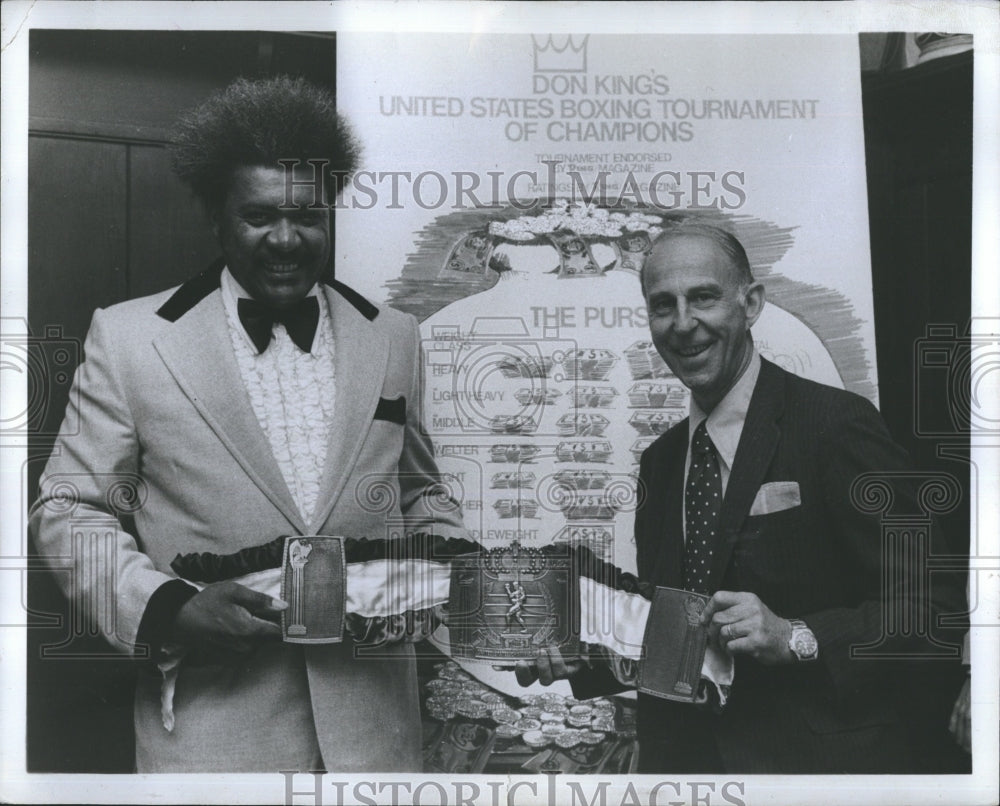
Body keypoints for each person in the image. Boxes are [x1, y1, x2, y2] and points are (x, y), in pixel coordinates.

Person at [28, 76, 468, 773]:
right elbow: (66, 509)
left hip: (376, 740)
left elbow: (419, 492)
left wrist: (449, 563)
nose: (287, 239)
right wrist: (169, 608)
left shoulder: (395, 337)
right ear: (216, 217)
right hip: (214, 743)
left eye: (309, 217)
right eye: (259, 217)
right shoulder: (130, 338)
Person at [522, 221, 967, 773]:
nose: (683, 324)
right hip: (686, 773)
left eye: (703, 297)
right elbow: (679, 629)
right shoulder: (661, 462)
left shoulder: (836, 425)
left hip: (814, 774)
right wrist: (586, 650)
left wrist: (798, 636)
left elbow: (936, 608)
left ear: (751, 302)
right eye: (663, 305)